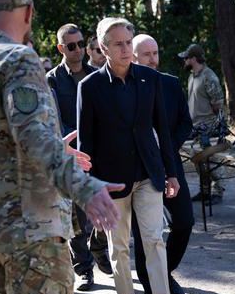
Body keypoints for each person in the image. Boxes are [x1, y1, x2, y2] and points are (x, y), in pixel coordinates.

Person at [0, 0, 124, 294]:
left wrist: (55, 146)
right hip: (30, 232)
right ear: (28, 13)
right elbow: (32, 137)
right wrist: (85, 187)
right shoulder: (17, 59)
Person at [77, 17, 179, 294]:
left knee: (154, 240)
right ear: (103, 47)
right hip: (111, 181)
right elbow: (86, 143)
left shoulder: (151, 79)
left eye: (127, 42)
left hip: (149, 173)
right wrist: (89, 189)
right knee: (119, 247)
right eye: (118, 44)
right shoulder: (89, 87)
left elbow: (163, 131)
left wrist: (171, 172)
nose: (125, 49)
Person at [46, 23, 110, 291]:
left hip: (97, 153)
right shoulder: (51, 80)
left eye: (81, 44)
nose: (78, 50)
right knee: (76, 217)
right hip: (69, 155)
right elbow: (53, 120)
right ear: (61, 48)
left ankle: (98, 245)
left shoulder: (96, 75)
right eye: (71, 46)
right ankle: (84, 270)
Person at [132, 34, 194, 294]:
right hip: (136, 169)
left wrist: (167, 149)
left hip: (170, 166)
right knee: (145, 236)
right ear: (133, 57)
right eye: (146, 54)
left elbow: (185, 123)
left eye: (155, 53)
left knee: (184, 222)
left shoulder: (170, 84)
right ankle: (152, 285)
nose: (153, 59)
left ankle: (163, 272)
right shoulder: (125, 87)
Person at [178, 43, 226, 205]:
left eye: (186, 57)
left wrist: (212, 124)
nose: (184, 60)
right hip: (195, 126)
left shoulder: (209, 76)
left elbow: (218, 103)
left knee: (212, 161)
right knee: (198, 160)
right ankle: (204, 191)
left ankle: (218, 191)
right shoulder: (192, 76)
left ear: (193, 58)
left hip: (209, 126)